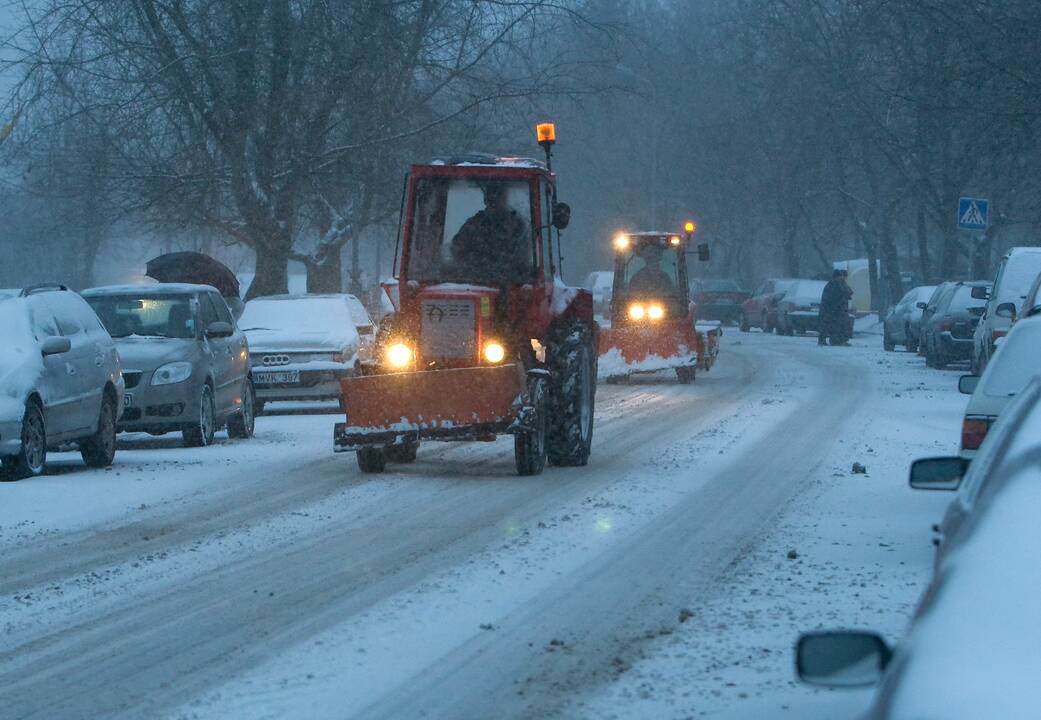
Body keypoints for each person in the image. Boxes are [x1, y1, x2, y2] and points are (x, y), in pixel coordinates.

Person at [450, 183, 532, 283]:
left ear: (505, 199)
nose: (495, 201)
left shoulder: (517, 226)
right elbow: (458, 248)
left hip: (511, 284)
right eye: (492, 197)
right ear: (486, 199)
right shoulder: (474, 224)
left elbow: (523, 257)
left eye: (499, 196)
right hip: (475, 281)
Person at [819, 269, 853, 345]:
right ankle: (827, 340)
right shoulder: (832, 284)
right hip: (830, 309)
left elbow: (848, 292)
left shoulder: (839, 284)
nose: (842, 278)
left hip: (837, 309)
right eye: (840, 276)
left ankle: (838, 340)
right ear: (836, 277)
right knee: (828, 326)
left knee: (838, 326)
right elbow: (833, 297)